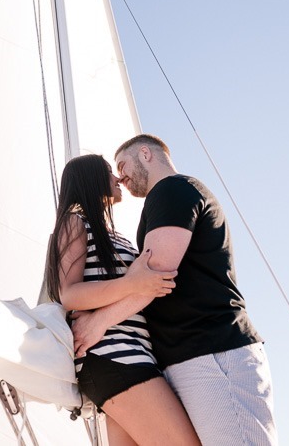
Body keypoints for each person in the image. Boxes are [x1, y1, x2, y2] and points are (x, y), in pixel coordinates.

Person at [72, 134, 277, 445]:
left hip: (213, 351)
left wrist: (98, 322)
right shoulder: (163, 200)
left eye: (123, 166)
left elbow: (156, 275)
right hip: (190, 357)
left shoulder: (173, 189)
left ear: (146, 154)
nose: (121, 177)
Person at [43, 154, 200, 446]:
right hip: (113, 356)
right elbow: (70, 295)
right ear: (91, 179)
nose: (117, 179)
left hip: (131, 357)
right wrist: (131, 283)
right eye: (108, 172)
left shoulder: (117, 237)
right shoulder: (74, 222)